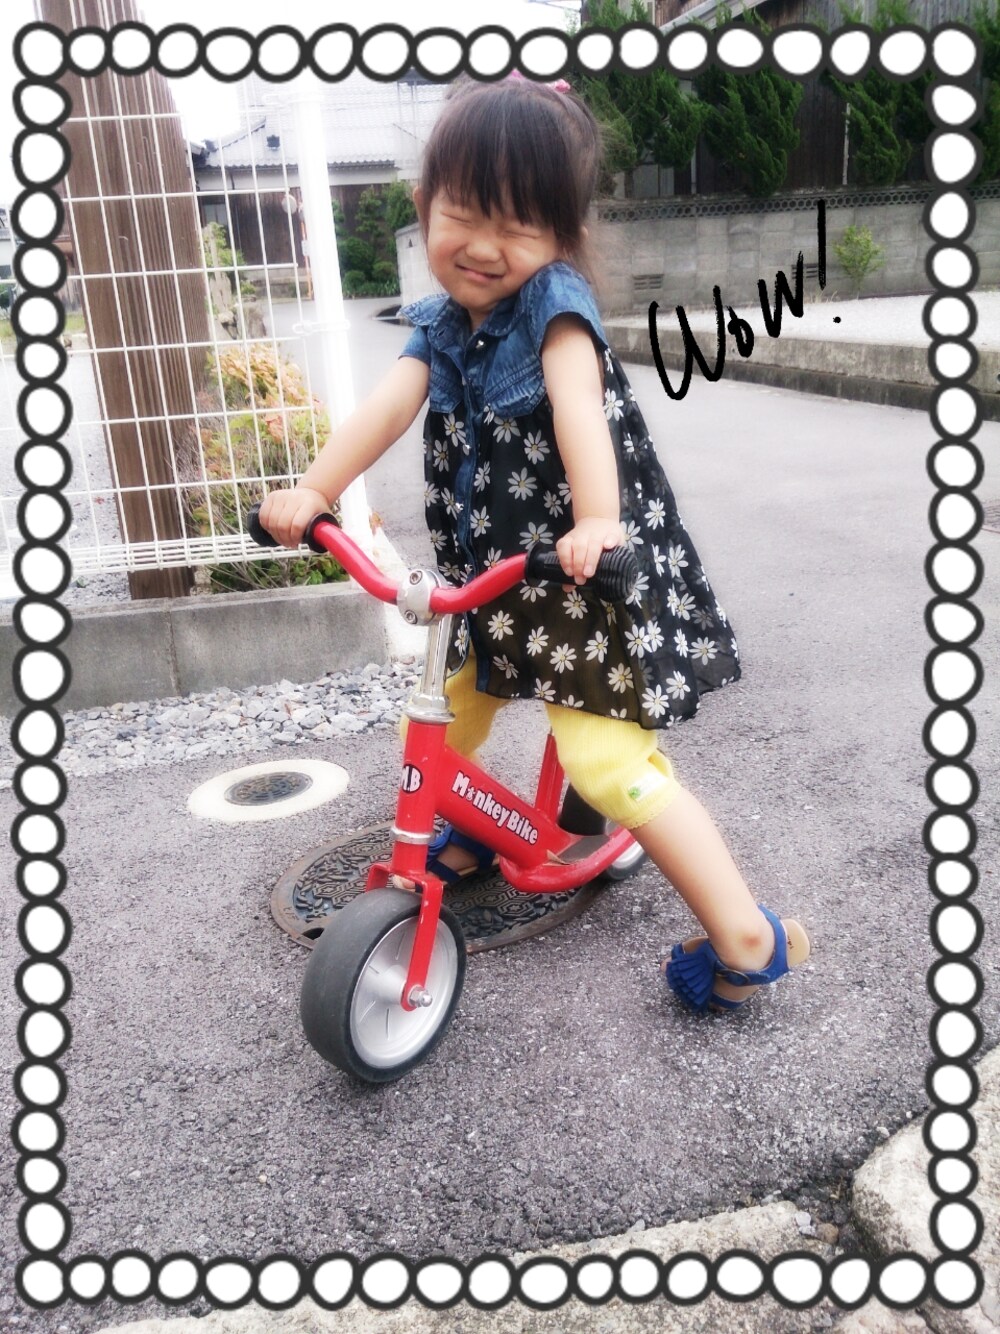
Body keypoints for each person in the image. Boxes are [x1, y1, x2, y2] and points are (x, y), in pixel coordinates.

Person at [259, 76, 809, 1014]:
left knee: (609, 770)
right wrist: (315, 488)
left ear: (562, 235)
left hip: (579, 581)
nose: (483, 247)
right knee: (437, 722)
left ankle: (748, 938)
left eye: (516, 227)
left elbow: (577, 409)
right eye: (462, 215)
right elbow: (388, 407)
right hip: (492, 581)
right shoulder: (441, 322)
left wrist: (595, 519)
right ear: (424, 206)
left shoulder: (555, 311)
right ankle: (476, 830)